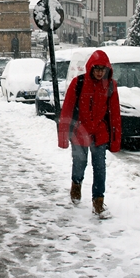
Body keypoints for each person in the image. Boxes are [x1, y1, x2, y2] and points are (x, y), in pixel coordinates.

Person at [57, 50, 121, 218]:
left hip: (100, 134)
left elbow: (114, 115)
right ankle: (76, 184)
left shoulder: (110, 86)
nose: (100, 72)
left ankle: (98, 202)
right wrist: (63, 136)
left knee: (100, 168)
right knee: (80, 163)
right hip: (80, 133)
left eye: (103, 69)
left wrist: (115, 140)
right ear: (91, 68)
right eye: (97, 69)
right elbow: (67, 111)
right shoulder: (78, 83)